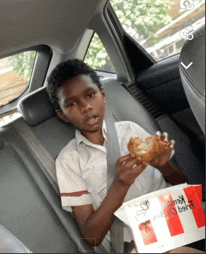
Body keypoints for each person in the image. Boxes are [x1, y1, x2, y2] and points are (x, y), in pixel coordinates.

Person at [46, 59, 199, 253]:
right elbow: (92, 235)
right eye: (72, 104)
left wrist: (163, 166)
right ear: (63, 114)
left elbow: (183, 190)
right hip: (142, 242)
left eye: (90, 95)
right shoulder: (69, 161)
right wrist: (120, 185)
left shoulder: (130, 130)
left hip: (180, 218)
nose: (86, 107)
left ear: (102, 95)